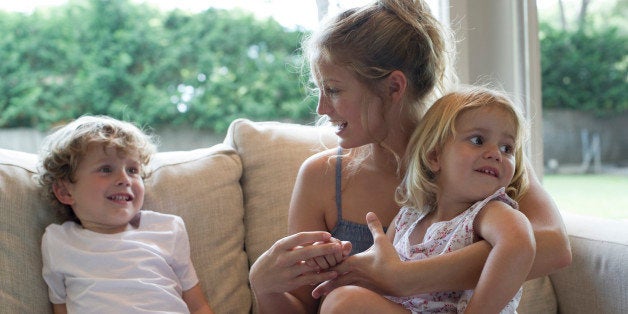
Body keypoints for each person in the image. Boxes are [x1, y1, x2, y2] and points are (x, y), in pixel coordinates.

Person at [248, 1, 571, 313]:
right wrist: (264, 286)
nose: (321, 108)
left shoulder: (482, 157)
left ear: (393, 87)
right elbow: (308, 307)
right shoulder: (322, 177)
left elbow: (553, 246)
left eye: (333, 89)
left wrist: (404, 278)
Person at [319, 86, 536, 313]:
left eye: (506, 148)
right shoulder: (408, 217)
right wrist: (338, 262)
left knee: (344, 302)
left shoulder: (487, 212)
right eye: (478, 140)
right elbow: (377, 275)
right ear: (434, 156)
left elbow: (519, 242)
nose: (495, 153)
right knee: (341, 300)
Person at [37, 115, 214, 314]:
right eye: (105, 169)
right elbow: (60, 306)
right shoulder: (58, 241)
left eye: (132, 170)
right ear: (65, 192)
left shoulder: (166, 229)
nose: (124, 179)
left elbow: (198, 305)